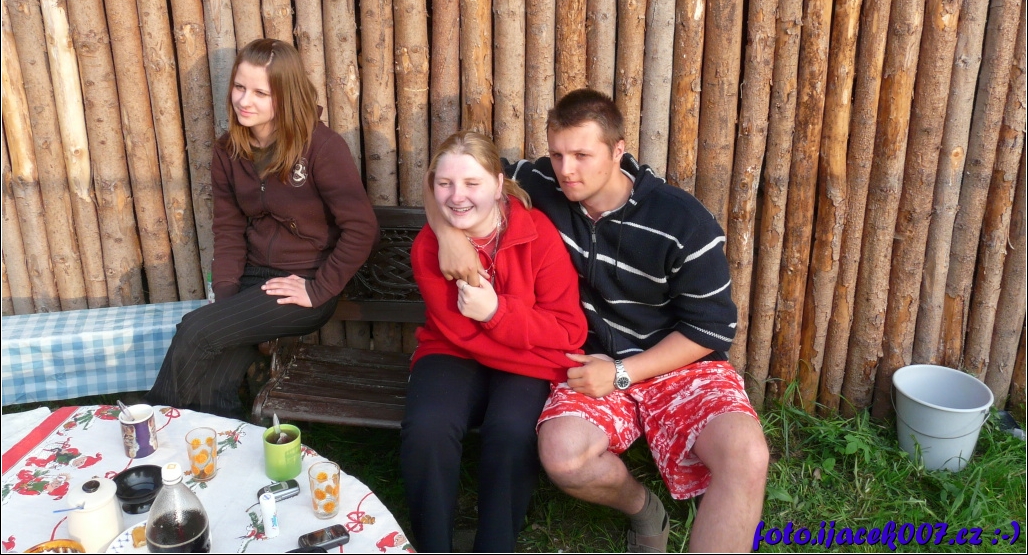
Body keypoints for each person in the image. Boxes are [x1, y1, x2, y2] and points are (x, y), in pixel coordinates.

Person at [429, 90, 769, 553]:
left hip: (680, 364)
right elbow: (446, 179)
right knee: (563, 457)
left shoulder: (684, 221)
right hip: (586, 362)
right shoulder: (541, 181)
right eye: (557, 154)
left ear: (617, 150)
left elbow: (710, 329)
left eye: (582, 155)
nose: (566, 170)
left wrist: (625, 372)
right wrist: (448, 233)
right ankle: (642, 508)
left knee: (746, 455)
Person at [147, 38, 378, 419]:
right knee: (212, 383)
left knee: (196, 331)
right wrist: (225, 297)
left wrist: (318, 288)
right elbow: (228, 228)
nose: (244, 101)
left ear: (285, 96)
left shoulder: (321, 147)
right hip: (251, 280)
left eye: (260, 93)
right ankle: (219, 445)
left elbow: (361, 228)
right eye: (239, 87)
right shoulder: (228, 150)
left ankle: (146, 428)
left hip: (302, 283)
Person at [401, 131, 588, 553]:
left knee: (512, 430)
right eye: (445, 183)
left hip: (515, 356)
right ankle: (432, 545)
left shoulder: (537, 234)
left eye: (472, 183)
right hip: (453, 351)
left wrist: (495, 313)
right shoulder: (430, 246)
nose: (457, 197)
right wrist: (544, 356)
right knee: (428, 427)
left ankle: (495, 545)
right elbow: (460, 334)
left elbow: (570, 330)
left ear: (499, 184)